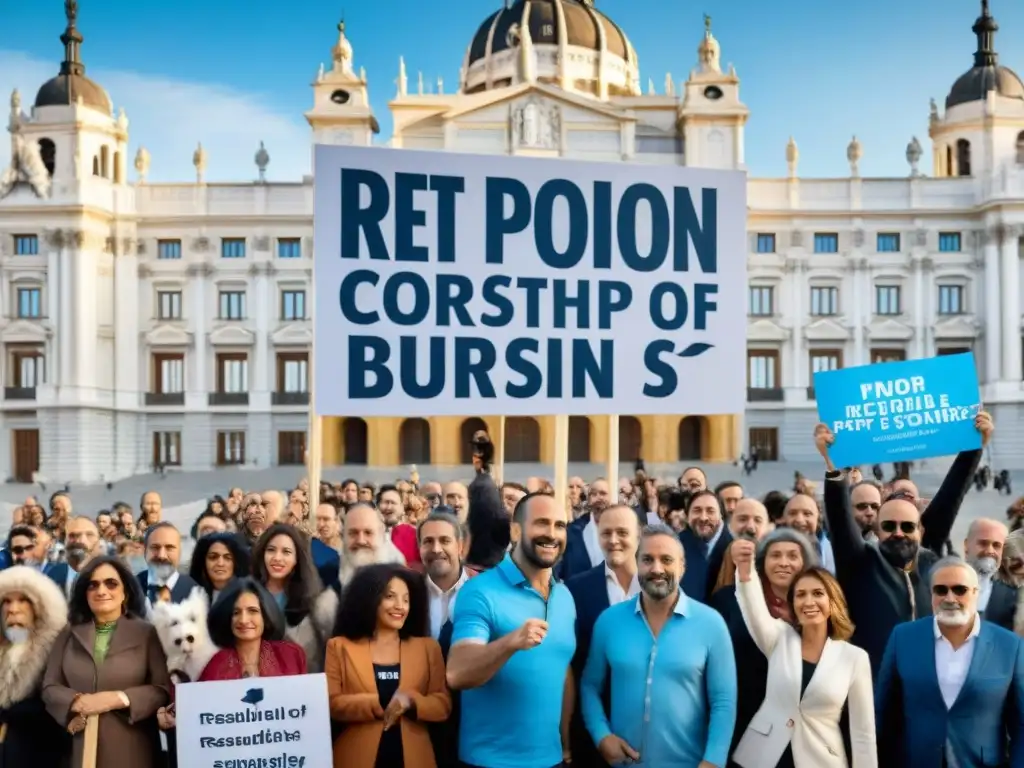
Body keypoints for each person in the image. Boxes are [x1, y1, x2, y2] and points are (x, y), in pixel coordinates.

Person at [581, 523, 736, 768]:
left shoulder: (711, 623)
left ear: (682, 567)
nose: (657, 568)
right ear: (637, 564)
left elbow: (724, 700)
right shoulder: (609, 621)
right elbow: (590, 686)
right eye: (647, 560)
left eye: (666, 560)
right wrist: (602, 736)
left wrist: (714, 760)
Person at [447, 491, 576, 768]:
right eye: (541, 523)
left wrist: (565, 744)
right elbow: (457, 673)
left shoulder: (565, 597)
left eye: (560, 525)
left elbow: (562, 669)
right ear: (515, 531)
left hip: (552, 760)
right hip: (488, 762)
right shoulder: (479, 591)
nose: (551, 534)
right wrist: (510, 642)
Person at [731, 540, 876, 767]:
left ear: (832, 601)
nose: (808, 601)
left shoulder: (854, 658)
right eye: (800, 595)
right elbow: (753, 609)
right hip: (763, 757)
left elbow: (863, 732)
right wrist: (745, 570)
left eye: (818, 593)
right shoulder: (779, 637)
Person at [876, 556, 1024, 767]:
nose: (950, 598)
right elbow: (884, 712)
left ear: (976, 592)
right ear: (931, 594)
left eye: (960, 590)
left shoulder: (1010, 646)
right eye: (941, 590)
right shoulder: (903, 637)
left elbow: (1021, 723)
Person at [42, 556, 171, 768]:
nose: (101, 591)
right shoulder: (68, 633)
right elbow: (49, 686)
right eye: (93, 585)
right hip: (78, 746)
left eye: (111, 583)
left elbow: (162, 689)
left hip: (133, 750)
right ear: (85, 593)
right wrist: (76, 702)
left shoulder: (147, 633)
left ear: (125, 593)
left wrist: (119, 698)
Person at [325, 564, 451, 768]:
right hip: (355, 757)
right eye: (390, 596)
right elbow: (332, 704)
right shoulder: (339, 647)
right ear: (370, 599)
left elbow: (443, 705)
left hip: (415, 758)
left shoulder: (428, 648)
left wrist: (411, 701)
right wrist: (382, 701)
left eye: (406, 599)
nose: (400, 606)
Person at [709, 529, 818, 763]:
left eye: (792, 556)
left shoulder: (818, 606)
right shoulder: (730, 599)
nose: (784, 563)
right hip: (742, 712)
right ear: (762, 562)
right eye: (775, 555)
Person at [0, 565, 70, 766]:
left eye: (23, 600)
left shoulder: (58, 645)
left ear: (39, 606)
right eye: (6, 601)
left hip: (40, 753)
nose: (13, 609)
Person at [251, 523, 338, 672]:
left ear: (297, 558)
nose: (277, 558)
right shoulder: (248, 594)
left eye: (286, 552)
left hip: (303, 683)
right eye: (271, 550)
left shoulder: (317, 600)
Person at [194, 577, 306, 682]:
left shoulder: (291, 655)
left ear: (266, 616)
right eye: (236, 612)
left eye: (252, 611)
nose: (243, 620)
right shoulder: (216, 665)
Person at [187, 532, 251, 602]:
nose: (220, 563)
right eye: (213, 557)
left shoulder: (250, 596)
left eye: (227, 558)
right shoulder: (190, 596)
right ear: (202, 561)